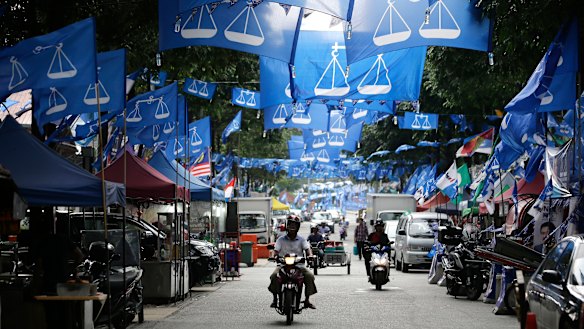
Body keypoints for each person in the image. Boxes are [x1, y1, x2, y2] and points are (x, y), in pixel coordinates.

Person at [268, 215, 317, 309]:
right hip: (282, 265)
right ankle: (275, 299)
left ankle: (307, 300)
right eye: (290, 224)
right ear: (287, 225)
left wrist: (310, 256)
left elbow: (307, 249)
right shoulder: (280, 239)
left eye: (294, 225)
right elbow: (276, 250)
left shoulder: (302, 239)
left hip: (299, 265)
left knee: (310, 276)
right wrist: (273, 256)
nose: (292, 227)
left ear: (298, 227)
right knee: (274, 276)